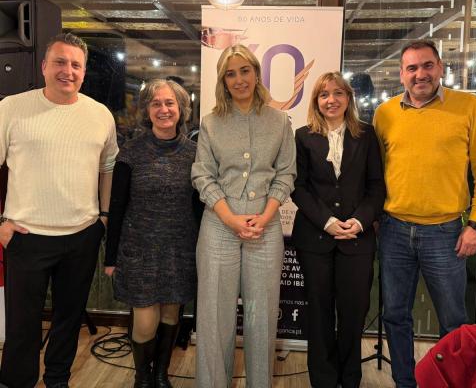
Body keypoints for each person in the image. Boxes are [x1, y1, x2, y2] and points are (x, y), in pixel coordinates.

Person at [0, 33, 118, 388]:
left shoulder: (100, 115)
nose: (68, 71)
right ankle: (16, 382)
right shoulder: (11, 108)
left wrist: (104, 216)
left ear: (84, 71)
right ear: (44, 67)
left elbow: (108, 167)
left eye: (76, 65)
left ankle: (58, 381)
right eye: (60, 62)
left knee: (68, 320)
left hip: (81, 236)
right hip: (26, 236)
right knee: (22, 324)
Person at [373, 39, 476, 388]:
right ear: (402, 74)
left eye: (427, 65)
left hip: (446, 233)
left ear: (440, 68)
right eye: (412, 68)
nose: (420, 74)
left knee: (454, 322)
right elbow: (377, 174)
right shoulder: (385, 114)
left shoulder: (469, 107)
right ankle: (405, 383)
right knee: (395, 316)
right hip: (393, 230)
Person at [191, 44, 296, 388]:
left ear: (256, 73)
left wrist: (264, 217)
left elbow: (286, 174)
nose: (239, 79)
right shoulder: (211, 123)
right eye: (230, 74)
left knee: (260, 316)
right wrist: (230, 218)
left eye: (245, 71)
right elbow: (203, 176)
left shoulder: (279, 121)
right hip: (219, 226)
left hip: (264, 227)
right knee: (214, 317)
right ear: (223, 80)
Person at [291, 72, 385, 388]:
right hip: (315, 239)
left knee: (353, 314)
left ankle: (350, 379)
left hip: (357, 240)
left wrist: (359, 221)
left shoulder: (366, 135)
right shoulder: (302, 136)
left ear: (348, 98)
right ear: (316, 101)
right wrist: (328, 222)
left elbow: (376, 186)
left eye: (338, 93)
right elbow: (298, 187)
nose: (331, 100)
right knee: (318, 314)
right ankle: (323, 380)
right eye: (323, 94)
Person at [104, 79, 198, 388]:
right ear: (147, 110)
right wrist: (111, 257)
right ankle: (142, 377)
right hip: (139, 251)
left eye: (170, 103)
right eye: (156, 103)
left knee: (171, 316)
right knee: (145, 323)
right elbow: (117, 206)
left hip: (179, 250)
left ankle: (161, 374)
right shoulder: (130, 152)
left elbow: (200, 208)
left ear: (181, 109)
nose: (163, 109)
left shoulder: (195, 153)